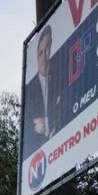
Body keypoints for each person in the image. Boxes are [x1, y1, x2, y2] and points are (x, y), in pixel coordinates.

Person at [24, 25, 63, 155]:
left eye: (47, 48)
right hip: (39, 155)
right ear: (36, 56)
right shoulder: (29, 90)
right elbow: (26, 123)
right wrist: (35, 124)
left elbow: (66, 102)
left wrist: (44, 120)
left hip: (63, 144)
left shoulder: (59, 75)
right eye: (41, 52)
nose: (44, 55)